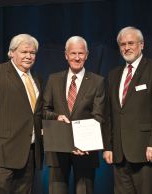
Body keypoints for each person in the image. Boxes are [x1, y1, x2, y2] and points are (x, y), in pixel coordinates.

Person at [103, 26, 152, 194]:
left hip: (146, 152)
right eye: (122, 44)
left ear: (142, 45)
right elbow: (109, 114)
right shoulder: (113, 75)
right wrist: (108, 146)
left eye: (131, 43)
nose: (126, 47)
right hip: (119, 155)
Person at [0, 34, 43, 194]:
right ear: (11, 53)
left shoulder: (37, 79)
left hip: (29, 154)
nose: (28, 56)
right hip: (2, 155)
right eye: (24, 51)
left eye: (32, 53)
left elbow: (36, 114)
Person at [43, 36, 107, 194]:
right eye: (73, 53)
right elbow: (44, 110)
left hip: (85, 151)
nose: (77, 57)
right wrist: (56, 117)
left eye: (81, 53)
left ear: (87, 55)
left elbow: (98, 116)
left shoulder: (97, 81)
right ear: (66, 55)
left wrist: (82, 142)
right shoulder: (53, 79)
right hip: (58, 149)